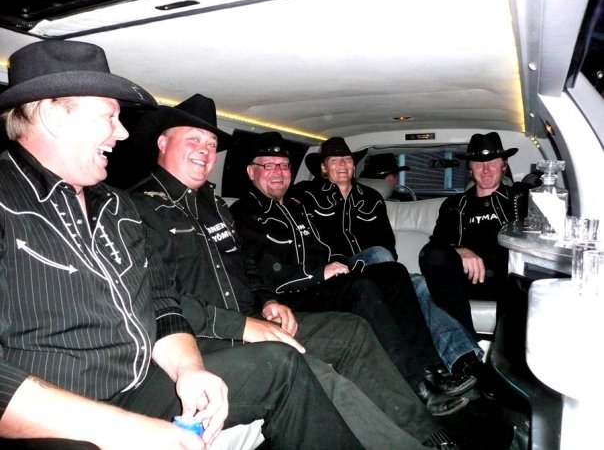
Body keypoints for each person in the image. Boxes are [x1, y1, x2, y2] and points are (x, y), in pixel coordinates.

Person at [0, 40, 365, 450]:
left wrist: (188, 369)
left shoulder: (117, 206)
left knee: (282, 363)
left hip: (140, 380)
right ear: (53, 116)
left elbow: (159, 301)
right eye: (108, 116)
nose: (122, 132)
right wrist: (131, 430)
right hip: (51, 412)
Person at [128, 93, 461, 449]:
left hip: (254, 318)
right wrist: (244, 324)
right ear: (163, 142)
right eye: (193, 139)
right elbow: (156, 300)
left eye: (211, 143)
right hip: (201, 338)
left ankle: (427, 432)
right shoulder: (135, 208)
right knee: (303, 367)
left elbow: (247, 268)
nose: (205, 150)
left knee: (353, 329)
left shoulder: (215, 205)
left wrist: (267, 301)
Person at [229, 132, 480, 417]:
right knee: (362, 287)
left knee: (395, 273)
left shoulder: (296, 208)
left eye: (284, 166)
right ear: (251, 172)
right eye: (268, 166)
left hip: (320, 283)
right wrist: (319, 273)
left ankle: (430, 370)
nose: (278, 172)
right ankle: (416, 387)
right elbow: (258, 270)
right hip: (290, 294)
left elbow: (324, 249)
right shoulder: (244, 213)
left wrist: (334, 267)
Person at [292, 136, 485, 378]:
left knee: (417, 282)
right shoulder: (306, 196)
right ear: (323, 167)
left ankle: (463, 359)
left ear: (353, 164)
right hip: (335, 273)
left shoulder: (372, 199)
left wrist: (371, 268)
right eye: (334, 160)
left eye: (347, 159)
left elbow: (388, 246)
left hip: (377, 270)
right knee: (383, 257)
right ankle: (441, 361)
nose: (342, 164)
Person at [418, 132, 529, 354]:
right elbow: (432, 249)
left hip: (505, 279)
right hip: (462, 281)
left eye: (492, 162)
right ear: (470, 168)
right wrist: (459, 250)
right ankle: (469, 351)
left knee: (518, 282)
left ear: (504, 165)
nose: (485, 169)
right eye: (478, 163)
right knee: (434, 258)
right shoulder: (454, 205)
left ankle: (506, 358)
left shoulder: (520, 199)